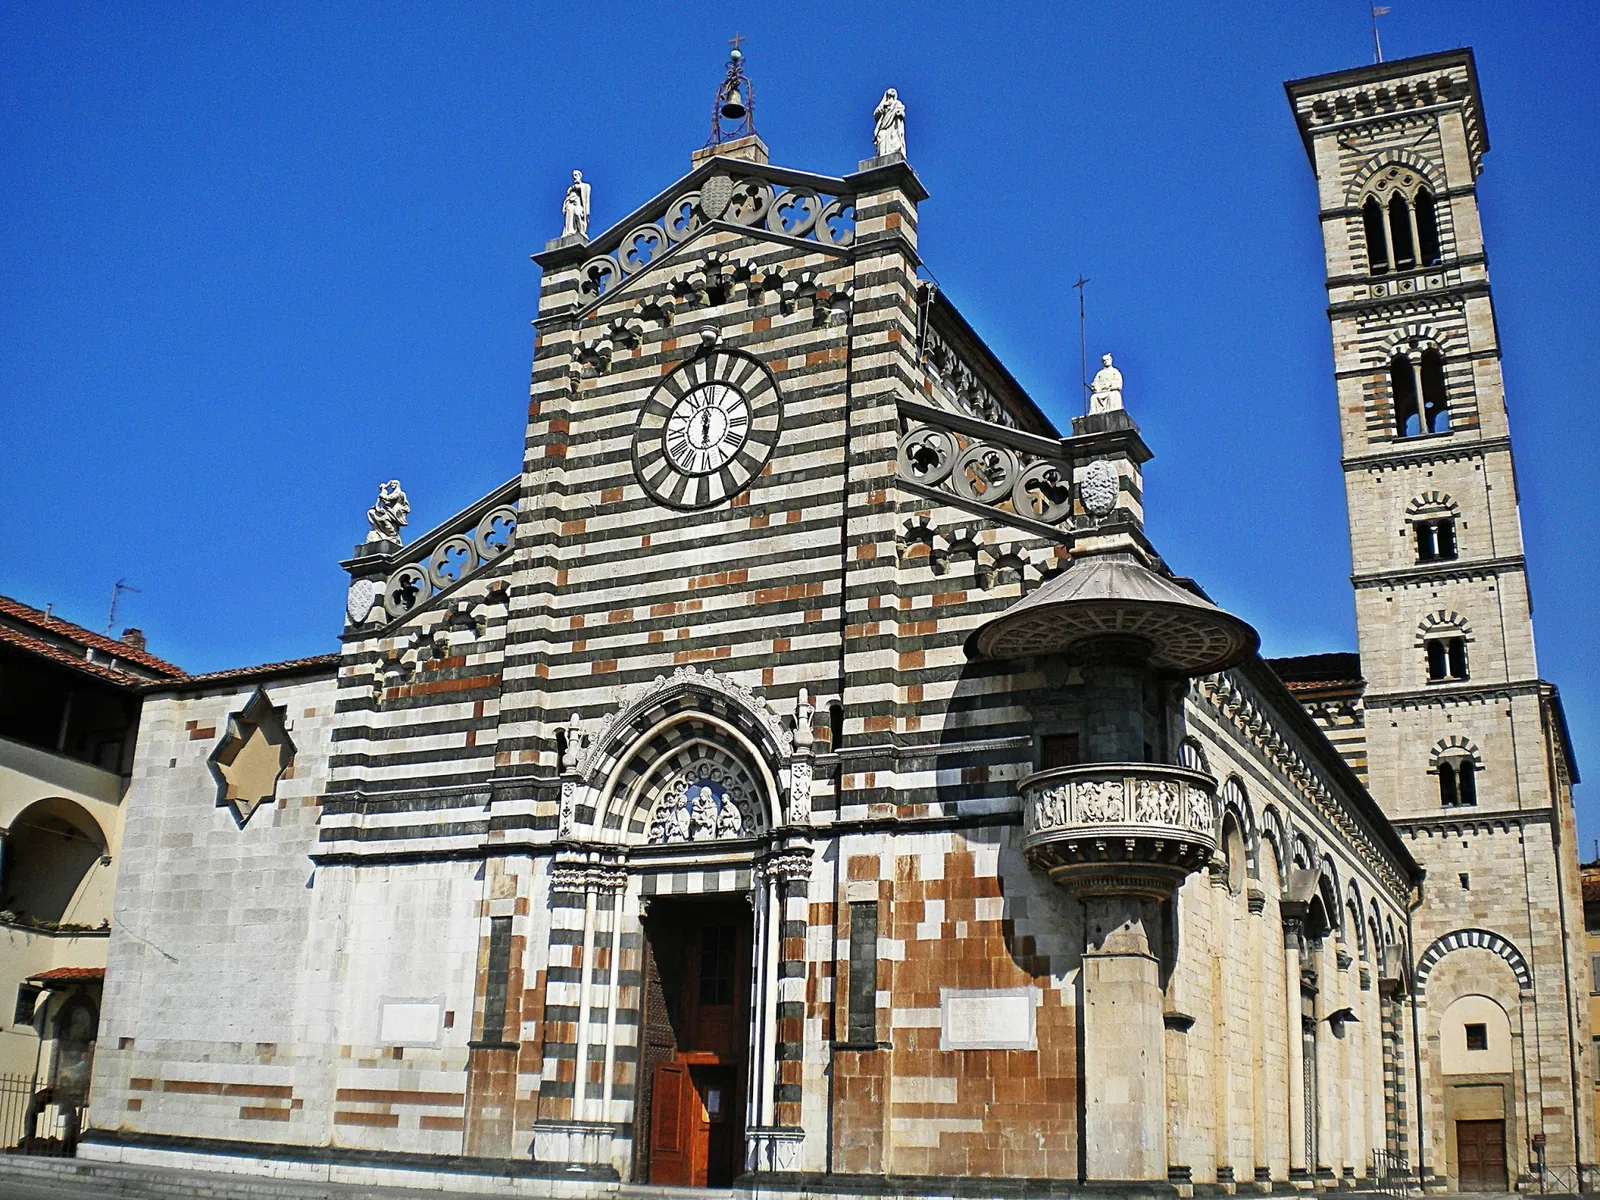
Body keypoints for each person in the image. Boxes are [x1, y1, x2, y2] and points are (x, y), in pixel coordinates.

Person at [561, 169, 591, 239]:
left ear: (579, 176)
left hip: (578, 204)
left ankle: (582, 231)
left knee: (578, 214)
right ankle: (570, 232)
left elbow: (585, 190)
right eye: (573, 176)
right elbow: (567, 198)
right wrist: (564, 206)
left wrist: (574, 188)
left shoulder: (585, 185)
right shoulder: (570, 189)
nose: (574, 177)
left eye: (575, 175)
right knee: (570, 218)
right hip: (570, 204)